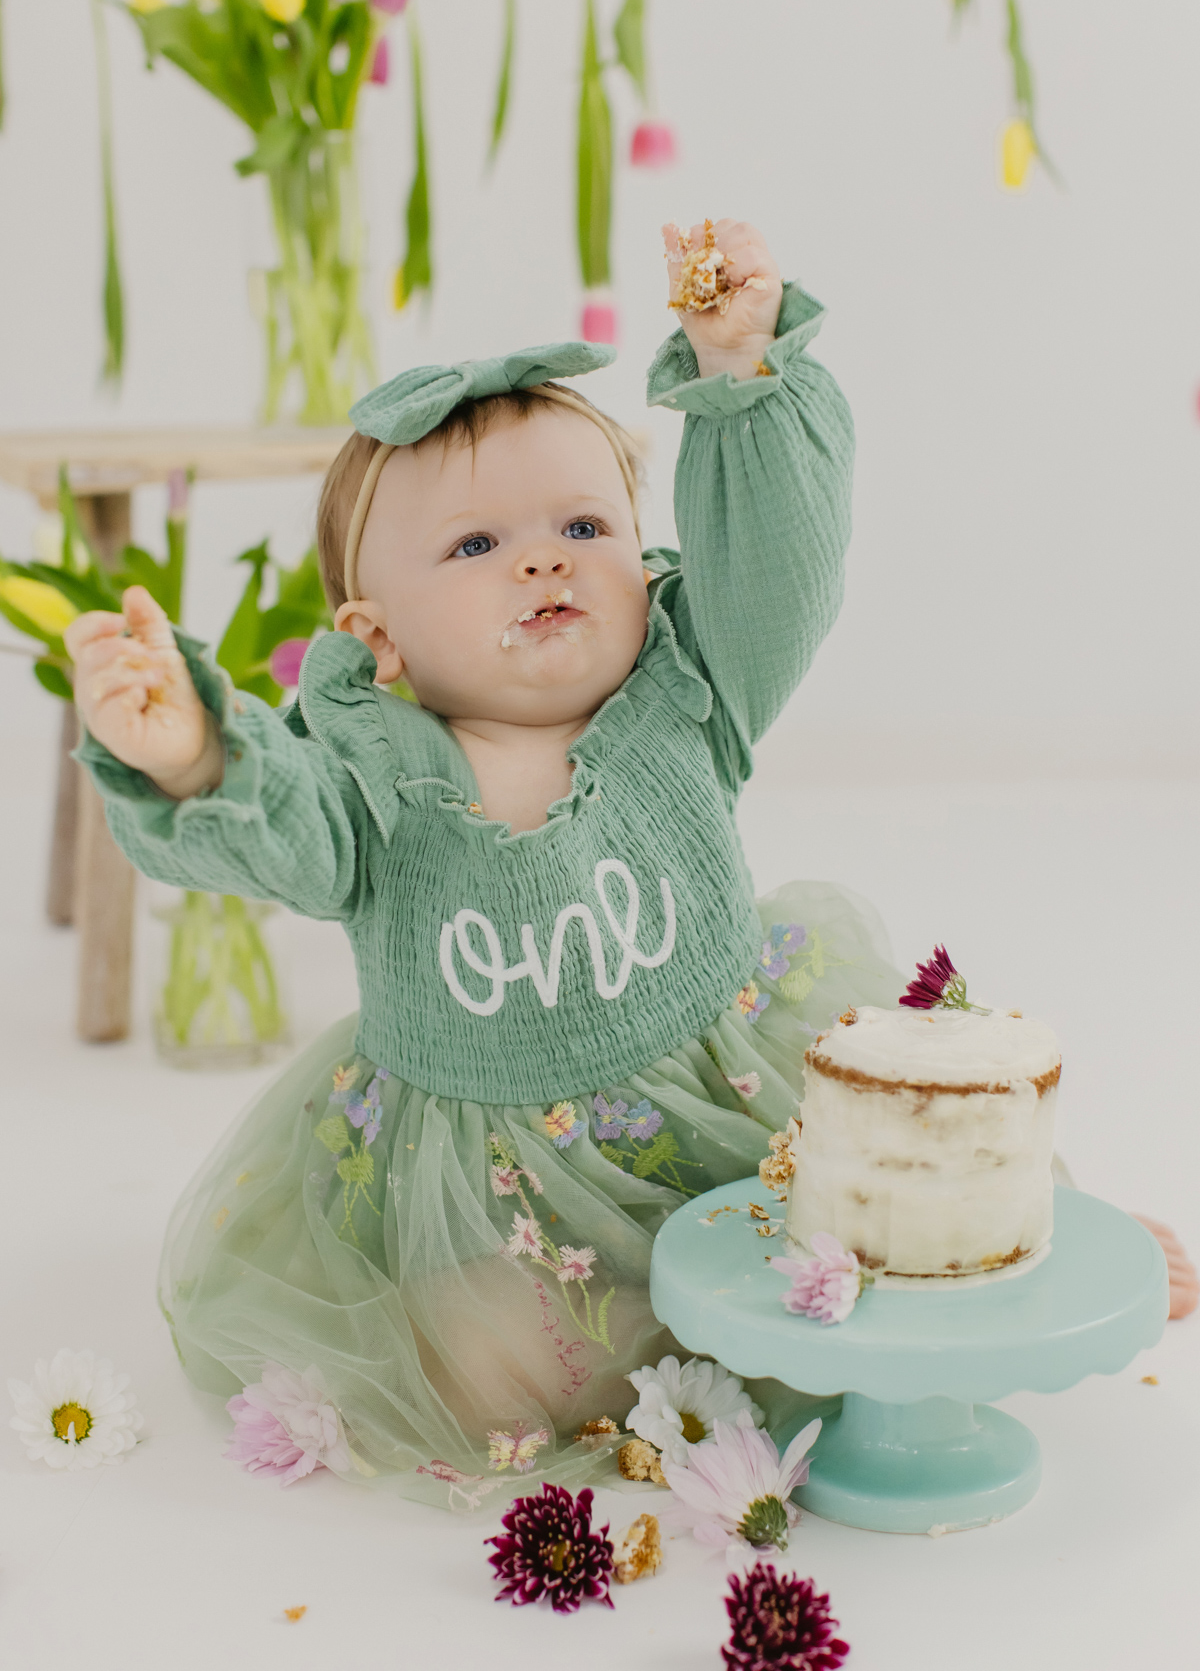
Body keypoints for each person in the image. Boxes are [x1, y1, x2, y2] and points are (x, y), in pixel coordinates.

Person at [65, 220, 1194, 1509]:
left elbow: (778, 573)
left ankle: (979, 1279)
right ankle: (650, 1346)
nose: (542, 558)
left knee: (889, 1191)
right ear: (376, 639)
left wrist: (740, 376)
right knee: (482, 1375)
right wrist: (197, 757)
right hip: (498, 1180)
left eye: (584, 522)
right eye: (475, 547)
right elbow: (286, 833)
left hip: (733, 1106)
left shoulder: (687, 688)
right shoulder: (369, 774)